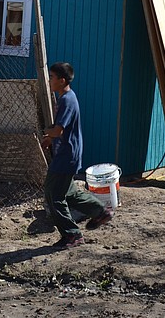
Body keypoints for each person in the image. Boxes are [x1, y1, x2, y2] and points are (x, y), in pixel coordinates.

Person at [40, 62, 113, 248]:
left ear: (62, 80)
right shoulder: (67, 97)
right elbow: (61, 131)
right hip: (67, 152)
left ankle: (72, 235)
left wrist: (45, 131)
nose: (50, 81)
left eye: (52, 77)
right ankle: (100, 211)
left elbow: (58, 130)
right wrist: (51, 138)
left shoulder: (66, 100)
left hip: (67, 155)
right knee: (69, 193)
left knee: (53, 194)